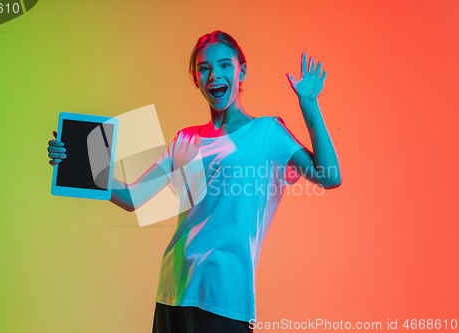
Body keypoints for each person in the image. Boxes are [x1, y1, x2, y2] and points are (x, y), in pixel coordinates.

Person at [48, 30, 341, 333]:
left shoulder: (267, 133)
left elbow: (329, 176)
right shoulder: (185, 138)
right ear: (195, 78)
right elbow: (134, 198)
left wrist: (309, 104)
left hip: (223, 295)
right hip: (172, 290)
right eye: (205, 68)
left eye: (225, 65)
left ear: (242, 70)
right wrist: (77, 164)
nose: (215, 74)